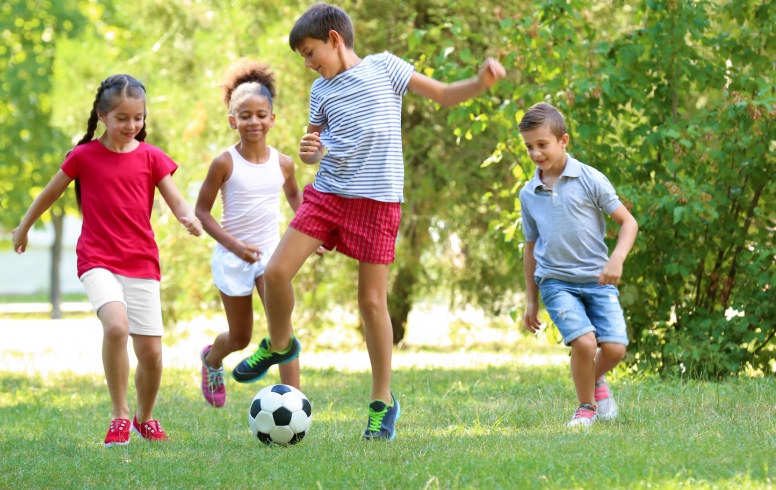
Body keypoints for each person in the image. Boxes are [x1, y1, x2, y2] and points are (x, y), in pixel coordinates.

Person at [230, 2, 507, 441]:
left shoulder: (385, 68)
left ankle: (382, 403)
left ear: (334, 40)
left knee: (372, 304)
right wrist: (310, 153)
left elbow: (443, 94)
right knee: (277, 272)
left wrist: (480, 82)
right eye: (302, 57)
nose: (307, 64)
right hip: (327, 195)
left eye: (309, 52)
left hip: (378, 203)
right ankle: (278, 345)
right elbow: (317, 145)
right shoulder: (320, 91)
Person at [12, 74, 203, 446]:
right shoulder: (83, 156)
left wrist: (187, 217)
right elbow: (49, 193)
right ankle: (118, 415)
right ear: (102, 115)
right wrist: (24, 227)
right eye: (122, 119)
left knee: (151, 354)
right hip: (97, 258)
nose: (131, 126)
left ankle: (143, 418)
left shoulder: (151, 157)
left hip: (141, 261)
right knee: (116, 327)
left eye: (138, 118)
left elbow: (175, 198)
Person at [194, 59, 317, 407]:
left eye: (261, 114)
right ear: (233, 120)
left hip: (271, 257)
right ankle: (212, 359)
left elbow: (295, 196)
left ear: (272, 118)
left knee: (283, 332)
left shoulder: (284, 163)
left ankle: (294, 403)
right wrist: (234, 246)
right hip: (233, 257)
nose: (254, 122)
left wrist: (311, 232)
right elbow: (202, 212)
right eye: (245, 115)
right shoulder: (224, 163)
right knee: (241, 338)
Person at [518, 102, 638, 427]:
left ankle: (594, 380)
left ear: (564, 140)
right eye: (529, 146)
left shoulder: (590, 179)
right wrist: (531, 299)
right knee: (584, 343)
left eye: (542, 144)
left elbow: (628, 223)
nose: (535, 152)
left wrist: (617, 259)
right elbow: (531, 248)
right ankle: (586, 407)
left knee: (614, 349)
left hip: (598, 278)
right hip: (555, 281)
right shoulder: (528, 194)